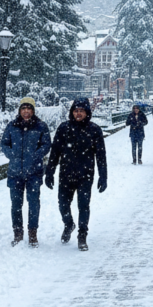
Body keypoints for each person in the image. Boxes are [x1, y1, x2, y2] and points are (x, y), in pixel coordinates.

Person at [44, 98, 107, 251]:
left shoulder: (94, 130)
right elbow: (55, 152)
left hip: (85, 174)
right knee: (63, 204)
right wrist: (50, 172)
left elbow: (101, 156)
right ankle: (69, 224)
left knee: (83, 206)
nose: (78, 113)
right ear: (72, 112)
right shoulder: (63, 128)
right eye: (76, 111)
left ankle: (82, 235)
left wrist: (103, 176)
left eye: (81, 111)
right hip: (66, 174)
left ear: (87, 113)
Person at [0, 97, 52, 247]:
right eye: (23, 108)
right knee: (16, 204)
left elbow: (46, 144)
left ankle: (32, 233)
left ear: (33, 110)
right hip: (15, 172)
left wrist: (36, 155)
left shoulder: (40, 126)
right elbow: (4, 143)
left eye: (29, 108)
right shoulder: (12, 126)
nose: (26, 111)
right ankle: (18, 233)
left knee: (34, 203)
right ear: (19, 110)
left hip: (34, 172)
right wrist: (12, 154)